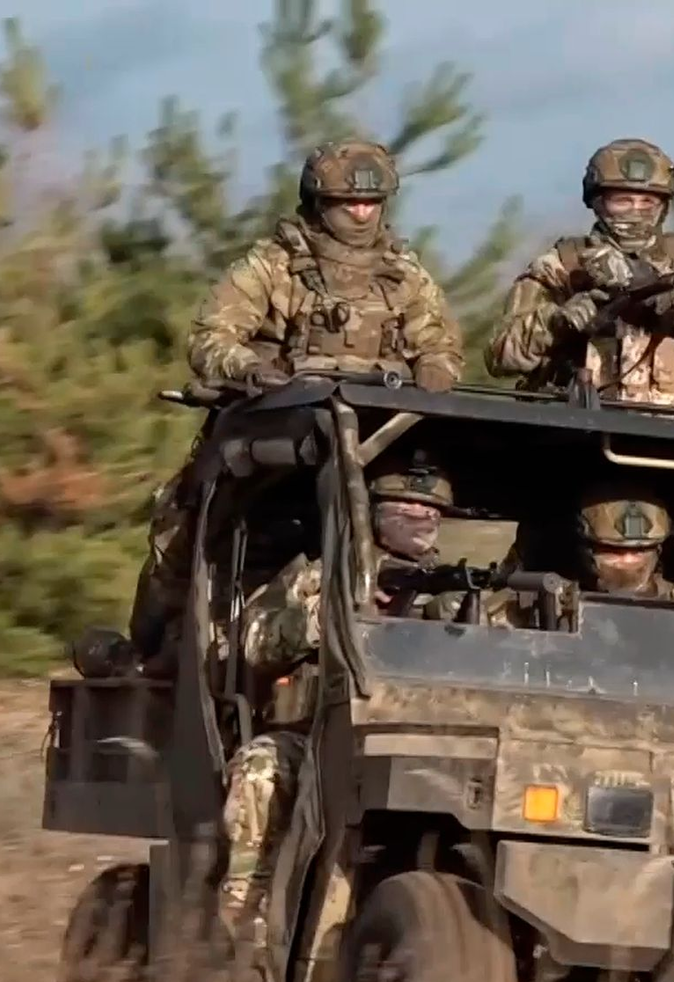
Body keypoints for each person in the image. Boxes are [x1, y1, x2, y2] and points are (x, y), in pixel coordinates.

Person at [129, 138, 464, 676]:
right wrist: (250, 370)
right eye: (347, 203)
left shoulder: (405, 275)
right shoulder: (273, 265)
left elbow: (442, 347)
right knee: (182, 527)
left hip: (375, 437)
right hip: (274, 432)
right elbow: (211, 337)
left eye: (371, 203)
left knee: (410, 522)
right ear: (317, 202)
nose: (361, 214)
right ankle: (153, 653)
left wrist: (436, 370)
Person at [218, 456, 457, 948]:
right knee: (261, 771)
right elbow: (254, 644)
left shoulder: (452, 589)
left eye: (429, 511)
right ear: (373, 514)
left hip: (413, 742)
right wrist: (328, 616)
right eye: (403, 509)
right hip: (317, 736)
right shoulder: (321, 575)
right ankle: (245, 925)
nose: (418, 517)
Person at [483, 138, 674, 406]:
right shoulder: (563, 264)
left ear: (663, 206)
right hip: (578, 422)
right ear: (598, 202)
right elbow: (499, 356)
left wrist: (666, 293)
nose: (635, 211)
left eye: (647, 202)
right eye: (623, 201)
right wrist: (555, 323)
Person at [484, 481, 674, 627]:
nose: (627, 560)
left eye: (640, 551)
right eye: (613, 551)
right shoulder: (536, 602)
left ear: (658, 550)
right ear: (584, 551)